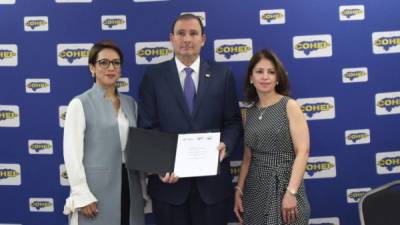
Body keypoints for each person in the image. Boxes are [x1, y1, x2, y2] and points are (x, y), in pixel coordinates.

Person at [138, 14, 242, 225]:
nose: (187, 39)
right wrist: (160, 165)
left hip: (213, 188)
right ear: (172, 38)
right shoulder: (153, 76)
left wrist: (226, 144)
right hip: (169, 189)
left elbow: (233, 121)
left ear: (203, 39)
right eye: (181, 33)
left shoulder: (223, 75)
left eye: (193, 33)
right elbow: (147, 127)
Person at [63, 40, 145, 225]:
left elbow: (138, 146)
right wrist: (81, 194)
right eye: (103, 62)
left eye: (116, 63)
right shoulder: (80, 103)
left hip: (130, 185)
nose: (111, 67)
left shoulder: (130, 103)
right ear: (92, 68)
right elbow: (72, 154)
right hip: (95, 190)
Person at [233, 49, 310, 225]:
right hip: (255, 190)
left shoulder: (289, 106)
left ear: (277, 78)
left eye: (271, 72)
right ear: (251, 78)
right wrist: (239, 189)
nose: (265, 77)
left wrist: (291, 193)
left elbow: (303, 151)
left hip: (285, 186)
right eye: (259, 71)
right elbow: (247, 158)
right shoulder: (248, 113)